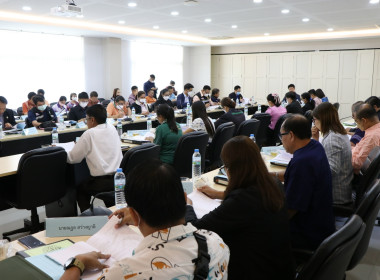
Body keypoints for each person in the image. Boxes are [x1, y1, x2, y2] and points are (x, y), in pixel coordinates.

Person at [60, 160, 229, 280]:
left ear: (133, 215)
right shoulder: (217, 244)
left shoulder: (124, 273)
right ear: (185, 199)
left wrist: (78, 263)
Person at [186, 136, 295, 280]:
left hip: (255, 272)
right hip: (280, 268)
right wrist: (219, 194)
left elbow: (196, 228)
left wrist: (188, 206)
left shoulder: (241, 200)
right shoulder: (272, 183)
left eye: (225, 167)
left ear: (231, 169)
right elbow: (253, 201)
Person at [277, 115, 335, 250]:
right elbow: (293, 176)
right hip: (322, 222)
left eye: (282, 136)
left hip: (308, 233)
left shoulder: (302, 162)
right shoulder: (314, 146)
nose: (282, 141)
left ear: (291, 135)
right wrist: (268, 175)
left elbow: (290, 210)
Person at [66, 104, 123, 212]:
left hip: (101, 183)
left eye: (86, 119)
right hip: (119, 179)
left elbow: (73, 158)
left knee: (80, 189)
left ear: (92, 120)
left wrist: (62, 153)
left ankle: (89, 220)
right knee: (108, 194)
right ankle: (113, 214)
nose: (86, 122)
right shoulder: (112, 128)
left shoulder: (89, 133)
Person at [311, 102, 353, 206]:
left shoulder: (332, 138)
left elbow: (331, 170)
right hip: (340, 189)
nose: (314, 123)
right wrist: (315, 140)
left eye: (314, 120)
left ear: (322, 119)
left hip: (336, 196)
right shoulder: (337, 133)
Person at [351, 104, 380, 174]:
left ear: (364, 121)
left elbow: (357, 163)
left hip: (357, 176)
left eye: (356, 122)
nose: (357, 126)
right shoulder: (375, 130)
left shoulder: (371, 137)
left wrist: (344, 154)